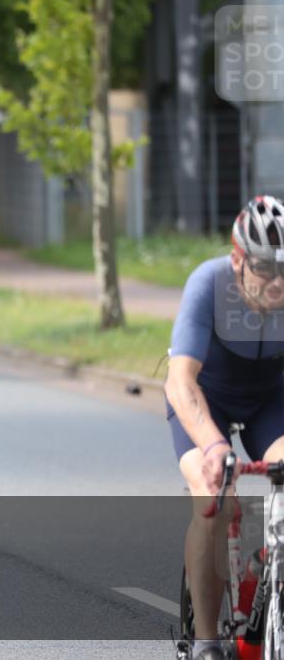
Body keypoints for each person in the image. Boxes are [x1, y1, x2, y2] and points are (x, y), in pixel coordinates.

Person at [165, 195, 284, 660]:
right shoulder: (208, 284)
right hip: (203, 401)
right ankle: (207, 640)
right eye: (264, 269)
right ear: (238, 260)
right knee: (214, 498)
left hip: (269, 403)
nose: (276, 282)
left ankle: (268, 574)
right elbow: (181, 381)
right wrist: (214, 446)